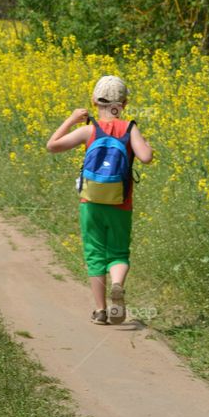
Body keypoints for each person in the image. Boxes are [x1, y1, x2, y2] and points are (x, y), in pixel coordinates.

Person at [46, 75, 153, 324]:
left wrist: (72, 119)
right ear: (124, 103)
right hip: (120, 203)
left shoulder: (89, 130)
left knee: (95, 254)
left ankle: (101, 311)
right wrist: (144, 143)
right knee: (118, 252)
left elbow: (52, 145)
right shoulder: (130, 128)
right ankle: (117, 284)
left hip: (91, 202)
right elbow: (146, 157)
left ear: (95, 101)